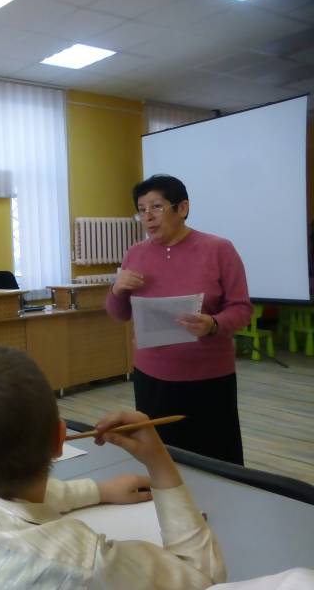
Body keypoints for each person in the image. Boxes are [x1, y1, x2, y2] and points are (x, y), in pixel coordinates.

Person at [0, 345, 226, 590]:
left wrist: (100, 491)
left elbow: (11, 505)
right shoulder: (84, 562)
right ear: (60, 439)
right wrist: (158, 462)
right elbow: (203, 579)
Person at [106, 174, 252, 465]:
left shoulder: (219, 249)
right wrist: (116, 289)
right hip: (151, 376)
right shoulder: (136, 253)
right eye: (142, 210)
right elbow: (119, 313)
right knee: (160, 456)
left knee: (215, 457)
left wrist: (213, 324)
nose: (148, 217)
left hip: (208, 378)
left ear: (182, 208)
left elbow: (241, 309)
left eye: (156, 207)